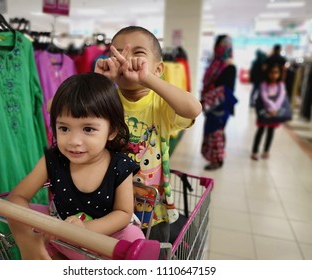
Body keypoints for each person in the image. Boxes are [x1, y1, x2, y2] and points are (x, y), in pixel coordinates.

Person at [7, 72, 145, 260]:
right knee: (24, 212)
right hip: (60, 236)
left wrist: (85, 230)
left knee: (133, 236)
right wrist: (26, 240)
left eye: (88, 129)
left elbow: (122, 213)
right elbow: (18, 197)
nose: (74, 141)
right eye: (64, 128)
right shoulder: (54, 159)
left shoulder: (119, 165)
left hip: (104, 243)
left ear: (111, 130)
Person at [94, 26, 202, 244]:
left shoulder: (160, 103)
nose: (128, 61)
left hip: (153, 211)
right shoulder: (105, 100)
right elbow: (58, 108)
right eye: (120, 54)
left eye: (138, 54)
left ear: (159, 68)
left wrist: (147, 78)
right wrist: (99, 83)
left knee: (153, 254)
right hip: (108, 207)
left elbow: (193, 108)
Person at [200, 34, 238, 171]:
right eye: (221, 45)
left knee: (216, 133)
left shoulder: (229, 66)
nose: (223, 48)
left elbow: (227, 89)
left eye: (225, 45)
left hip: (220, 106)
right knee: (213, 132)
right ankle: (215, 157)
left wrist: (207, 98)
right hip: (211, 105)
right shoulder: (215, 64)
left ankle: (218, 159)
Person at [251, 63, 287, 160]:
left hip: (274, 112)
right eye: (271, 72)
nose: (274, 75)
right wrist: (271, 108)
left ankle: (266, 151)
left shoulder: (281, 85)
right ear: (267, 73)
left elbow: (281, 98)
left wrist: (275, 109)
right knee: (260, 130)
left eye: (276, 72)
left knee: (271, 132)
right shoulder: (263, 84)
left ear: (279, 74)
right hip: (264, 111)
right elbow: (264, 97)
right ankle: (254, 151)